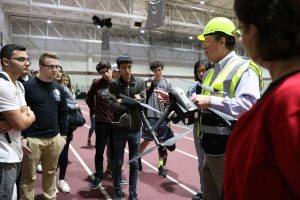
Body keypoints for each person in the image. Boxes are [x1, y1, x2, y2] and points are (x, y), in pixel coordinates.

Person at [224, 0, 300, 199]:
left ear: (254, 31)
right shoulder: (285, 94)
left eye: (242, 29)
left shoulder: (290, 100)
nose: (240, 39)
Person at [19, 53, 68, 200]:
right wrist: (22, 136)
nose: (55, 69)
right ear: (41, 67)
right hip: (32, 139)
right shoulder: (27, 87)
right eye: (51, 66)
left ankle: (50, 197)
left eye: (57, 66)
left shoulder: (59, 88)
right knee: (28, 177)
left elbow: (63, 113)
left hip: (54, 139)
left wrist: (63, 136)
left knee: (51, 173)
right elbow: (20, 113)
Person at [0, 44, 36, 200]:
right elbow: (21, 122)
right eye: (21, 59)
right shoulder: (4, 86)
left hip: (14, 149)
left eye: (27, 59)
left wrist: (21, 119)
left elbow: (22, 115)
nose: (27, 63)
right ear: (5, 62)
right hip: (4, 155)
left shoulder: (19, 85)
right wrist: (31, 116)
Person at [108, 55, 145, 200]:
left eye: (129, 67)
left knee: (134, 163)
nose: (127, 70)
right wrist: (130, 102)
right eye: (123, 68)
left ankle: (133, 193)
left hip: (135, 128)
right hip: (119, 129)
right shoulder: (114, 84)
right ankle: (117, 191)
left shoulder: (140, 83)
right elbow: (111, 105)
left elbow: (142, 101)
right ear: (119, 68)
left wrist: (122, 100)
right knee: (117, 162)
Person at [139, 61, 172, 177]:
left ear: (162, 69)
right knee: (147, 140)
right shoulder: (148, 83)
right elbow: (141, 97)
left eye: (159, 69)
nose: (157, 72)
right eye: (155, 70)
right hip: (149, 116)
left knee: (161, 143)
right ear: (152, 71)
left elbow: (171, 101)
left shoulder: (168, 83)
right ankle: (138, 158)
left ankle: (161, 166)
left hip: (163, 117)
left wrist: (169, 116)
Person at [86, 61, 114, 189]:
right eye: (102, 72)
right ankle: (98, 175)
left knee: (114, 151)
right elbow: (89, 98)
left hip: (116, 123)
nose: (106, 74)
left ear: (110, 69)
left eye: (107, 71)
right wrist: (93, 111)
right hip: (101, 122)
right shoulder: (97, 84)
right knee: (99, 151)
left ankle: (115, 174)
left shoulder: (118, 83)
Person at [188, 60, 210, 200]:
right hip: (198, 128)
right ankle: (203, 191)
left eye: (204, 70)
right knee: (201, 162)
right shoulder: (193, 88)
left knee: (214, 164)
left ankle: (214, 192)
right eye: (199, 71)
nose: (201, 73)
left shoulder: (214, 87)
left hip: (213, 129)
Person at [56, 72, 80, 193]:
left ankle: (61, 179)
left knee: (64, 153)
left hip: (66, 126)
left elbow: (75, 104)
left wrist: (65, 104)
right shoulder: (49, 88)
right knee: (53, 155)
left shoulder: (65, 89)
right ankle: (51, 181)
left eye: (59, 71)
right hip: (52, 125)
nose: (57, 73)